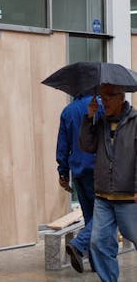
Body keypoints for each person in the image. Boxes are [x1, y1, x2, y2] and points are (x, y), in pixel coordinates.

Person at [79, 84, 137, 282]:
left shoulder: (135, 122)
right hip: (103, 196)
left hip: (130, 196)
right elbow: (86, 146)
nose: (105, 101)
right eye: (102, 97)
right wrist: (89, 118)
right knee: (98, 243)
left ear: (121, 97)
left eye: (110, 96)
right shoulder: (101, 122)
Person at [56, 94, 103, 273]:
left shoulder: (67, 111)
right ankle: (78, 245)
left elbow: (62, 144)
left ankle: (96, 263)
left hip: (78, 171)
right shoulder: (101, 106)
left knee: (91, 217)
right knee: (104, 215)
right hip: (98, 170)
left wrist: (62, 172)